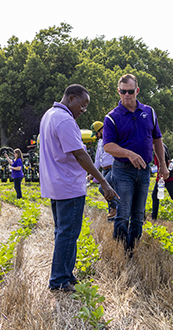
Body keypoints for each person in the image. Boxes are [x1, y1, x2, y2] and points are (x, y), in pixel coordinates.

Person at [40, 84, 117, 292]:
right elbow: (80, 154)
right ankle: (58, 281)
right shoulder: (64, 120)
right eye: (82, 105)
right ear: (71, 98)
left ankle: (66, 272)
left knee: (64, 231)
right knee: (68, 233)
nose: (83, 110)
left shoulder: (49, 115)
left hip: (56, 184)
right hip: (68, 185)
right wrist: (103, 181)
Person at [103, 74, 169, 253]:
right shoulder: (111, 117)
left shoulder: (149, 112)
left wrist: (162, 165)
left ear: (137, 91)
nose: (126, 95)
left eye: (130, 92)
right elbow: (108, 146)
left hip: (145, 170)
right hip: (123, 170)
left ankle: (132, 249)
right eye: (123, 92)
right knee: (123, 214)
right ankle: (120, 251)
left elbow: (157, 140)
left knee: (139, 215)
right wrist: (128, 154)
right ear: (119, 91)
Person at [87, 121, 117, 220]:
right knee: (109, 192)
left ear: (102, 130)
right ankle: (111, 217)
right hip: (104, 170)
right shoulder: (100, 142)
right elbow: (97, 161)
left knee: (102, 188)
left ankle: (115, 207)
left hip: (113, 168)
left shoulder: (112, 139)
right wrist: (91, 175)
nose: (96, 136)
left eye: (96, 133)